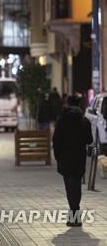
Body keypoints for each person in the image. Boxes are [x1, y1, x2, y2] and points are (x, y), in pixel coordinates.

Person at [52, 95, 93, 227]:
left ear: (67, 104)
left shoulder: (61, 120)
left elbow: (56, 140)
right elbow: (90, 140)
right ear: (79, 105)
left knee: (70, 188)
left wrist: (57, 156)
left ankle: (74, 216)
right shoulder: (84, 121)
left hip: (65, 158)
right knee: (77, 187)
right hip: (79, 158)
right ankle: (76, 216)